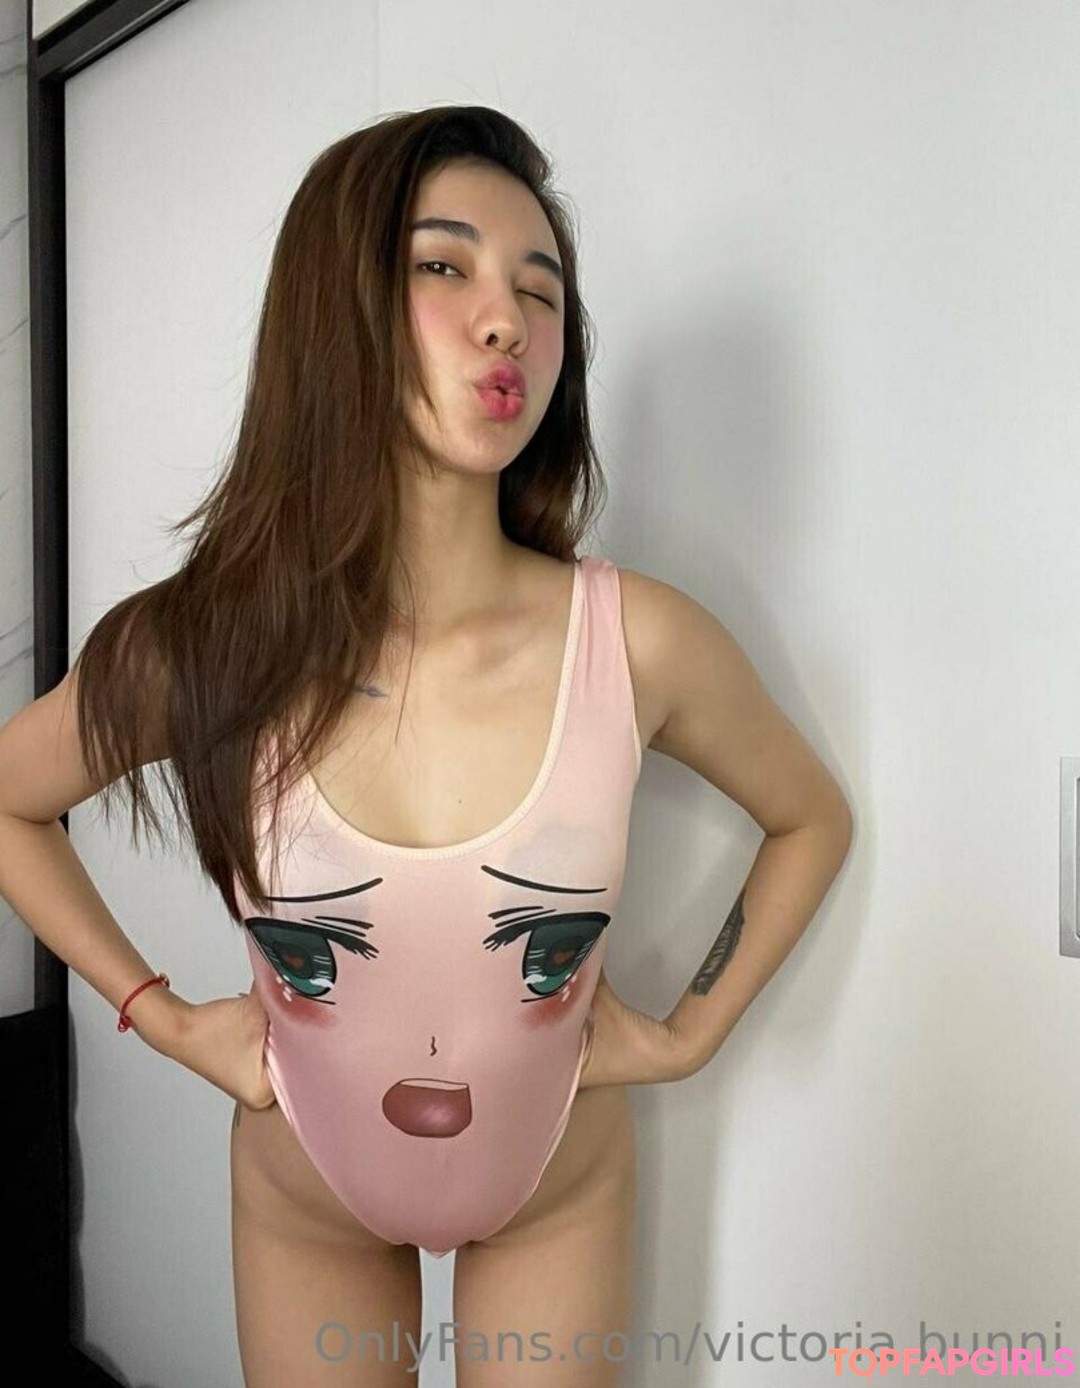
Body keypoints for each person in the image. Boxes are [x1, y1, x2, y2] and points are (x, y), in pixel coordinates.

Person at [0, 106, 853, 1386]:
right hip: (309, 1189)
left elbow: (810, 817)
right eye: (444, 266)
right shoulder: (200, 644)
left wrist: (689, 1033)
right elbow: (9, 801)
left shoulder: (638, 641)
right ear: (332, 308)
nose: (507, 320)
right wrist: (163, 1018)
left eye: (540, 291)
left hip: (554, 1184)